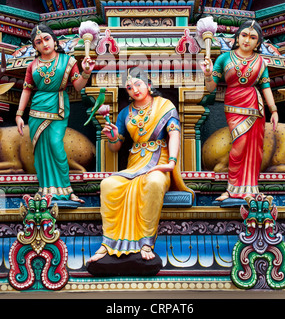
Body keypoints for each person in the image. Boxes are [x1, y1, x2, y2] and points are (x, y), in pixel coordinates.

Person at [89, 68, 193, 262]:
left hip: (159, 162)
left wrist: (171, 163)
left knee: (153, 182)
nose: (134, 90)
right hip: (135, 164)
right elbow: (116, 147)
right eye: (129, 87)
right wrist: (112, 138)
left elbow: (174, 133)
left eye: (138, 84)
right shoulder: (124, 113)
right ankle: (108, 242)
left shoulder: (164, 105)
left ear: (149, 85)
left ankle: (146, 242)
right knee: (108, 185)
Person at [15, 23, 96, 203]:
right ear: (34, 46)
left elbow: (77, 85)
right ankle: (45, 190)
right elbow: (27, 90)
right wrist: (19, 115)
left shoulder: (68, 61)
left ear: (53, 39)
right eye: (38, 42)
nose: (44, 44)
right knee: (41, 151)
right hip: (37, 110)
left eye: (46, 39)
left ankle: (66, 189)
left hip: (58, 106)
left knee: (55, 144)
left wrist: (86, 72)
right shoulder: (33, 66)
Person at [201, 20, 278, 201]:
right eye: (244, 35)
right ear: (237, 38)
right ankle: (233, 189)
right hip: (233, 103)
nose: (247, 40)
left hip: (254, 104)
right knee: (239, 145)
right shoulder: (224, 58)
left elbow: (265, 86)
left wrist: (274, 110)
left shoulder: (260, 61)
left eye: (252, 37)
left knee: (254, 148)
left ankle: (250, 189)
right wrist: (207, 74)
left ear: (258, 43)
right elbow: (211, 88)